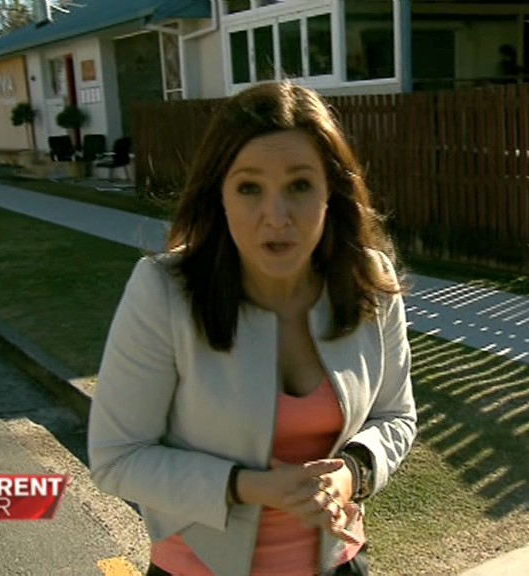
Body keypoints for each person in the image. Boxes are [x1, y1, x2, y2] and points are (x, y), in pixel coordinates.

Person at [88, 80, 417, 576]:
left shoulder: (368, 281)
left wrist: (352, 471)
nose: (276, 216)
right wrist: (248, 486)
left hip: (339, 563)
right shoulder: (163, 291)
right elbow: (118, 458)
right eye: (249, 188)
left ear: (331, 192)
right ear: (219, 195)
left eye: (299, 186)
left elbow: (396, 416)